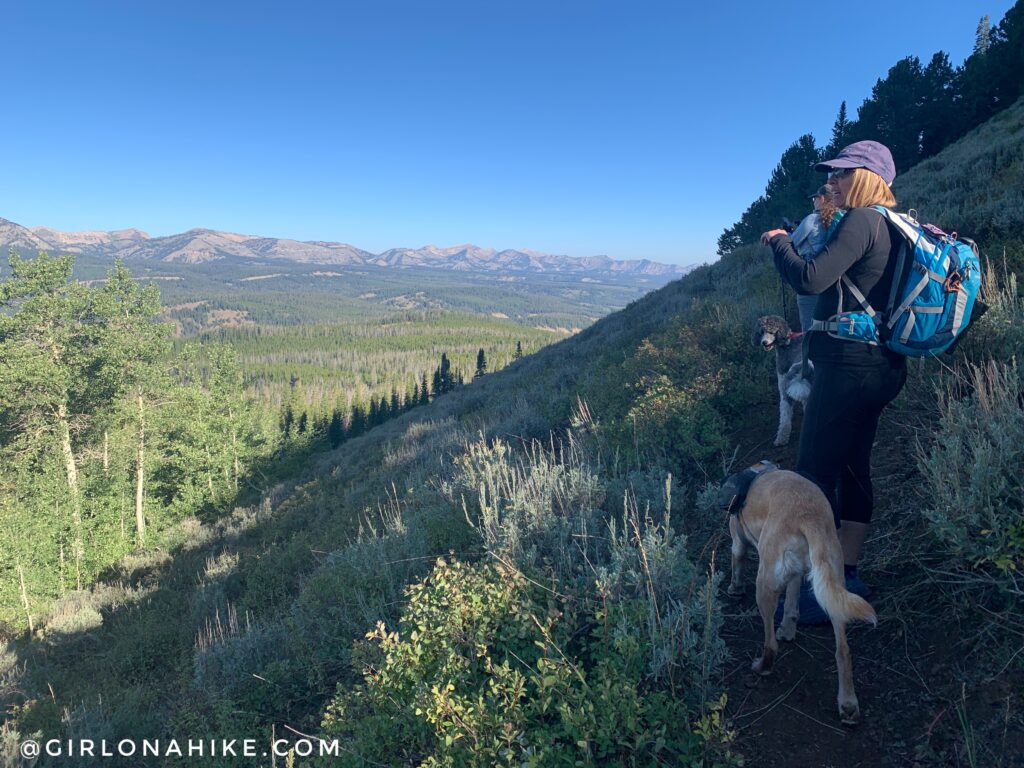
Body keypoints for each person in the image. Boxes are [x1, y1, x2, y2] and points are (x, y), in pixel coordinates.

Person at [760, 140, 908, 623]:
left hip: (847, 368)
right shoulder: (892, 226)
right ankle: (847, 573)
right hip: (879, 366)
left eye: (841, 174)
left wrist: (780, 241)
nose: (832, 182)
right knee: (852, 469)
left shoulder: (864, 220)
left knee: (812, 479)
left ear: (866, 177)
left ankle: (817, 593)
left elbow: (811, 279)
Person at [789, 184, 842, 332]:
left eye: (815, 198)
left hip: (812, 274)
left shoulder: (812, 219)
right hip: (834, 276)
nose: (813, 201)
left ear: (822, 199)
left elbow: (792, 242)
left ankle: (809, 353)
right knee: (831, 322)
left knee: (809, 325)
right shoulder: (840, 217)